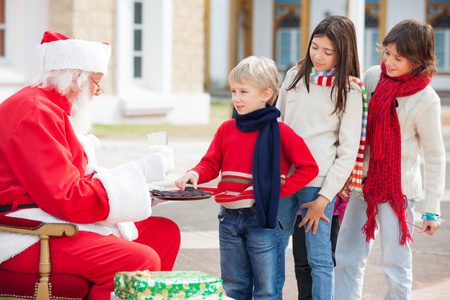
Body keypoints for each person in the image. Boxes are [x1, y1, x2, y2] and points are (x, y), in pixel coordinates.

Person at [0, 31, 180, 299]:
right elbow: (66, 197)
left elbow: (77, 180)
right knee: (139, 261)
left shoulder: (54, 107)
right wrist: (139, 172)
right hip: (29, 230)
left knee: (164, 233)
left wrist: (143, 191)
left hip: (52, 218)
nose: (97, 91)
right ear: (76, 78)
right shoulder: (36, 112)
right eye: (97, 82)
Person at [175, 56, 319, 300]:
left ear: (266, 94)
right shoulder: (226, 129)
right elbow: (210, 163)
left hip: (261, 220)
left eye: (243, 91)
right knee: (233, 288)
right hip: (228, 219)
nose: (236, 98)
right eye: (233, 91)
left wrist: (279, 190)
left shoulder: (281, 132)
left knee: (266, 290)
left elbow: (309, 167)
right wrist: (194, 173)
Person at [335, 19, 445, 300]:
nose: (389, 62)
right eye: (386, 53)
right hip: (362, 185)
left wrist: (432, 209)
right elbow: (355, 129)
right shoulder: (373, 76)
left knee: (394, 263)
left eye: (399, 58)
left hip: (398, 193)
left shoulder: (426, 99)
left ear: (419, 60)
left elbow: (434, 156)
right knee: (346, 255)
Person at [276, 15, 367, 299]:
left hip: (317, 186)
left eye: (328, 52)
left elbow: (347, 152)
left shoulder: (349, 89)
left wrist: (323, 199)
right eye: (315, 47)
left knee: (319, 259)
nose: (318, 56)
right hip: (283, 182)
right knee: (272, 250)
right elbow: (276, 125)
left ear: (344, 52)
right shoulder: (293, 77)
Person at [292, 193, 347, 300]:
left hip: (329, 212)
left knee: (326, 264)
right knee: (302, 265)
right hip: (300, 211)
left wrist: (343, 208)